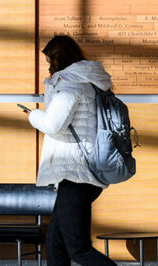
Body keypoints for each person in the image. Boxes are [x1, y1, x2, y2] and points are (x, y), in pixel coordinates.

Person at [24, 35, 116, 266]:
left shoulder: (71, 84)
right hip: (80, 173)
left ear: (59, 58)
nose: (49, 66)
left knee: (78, 249)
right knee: (56, 243)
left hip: (76, 172)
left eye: (50, 60)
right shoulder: (86, 82)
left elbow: (54, 125)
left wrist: (34, 115)